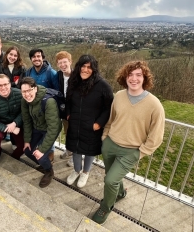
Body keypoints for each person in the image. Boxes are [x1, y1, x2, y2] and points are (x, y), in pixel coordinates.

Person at [92, 60, 165, 225]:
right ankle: (120, 193)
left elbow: (157, 136)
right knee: (111, 176)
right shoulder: (119, 96)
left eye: (138, 75)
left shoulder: (155, 105)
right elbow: (111, 119)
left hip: (131, 151)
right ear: (124, 77)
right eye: (130, 75)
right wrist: (105, 137)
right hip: (110, 144)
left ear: (144, 78)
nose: (134, 78)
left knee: (110, 180)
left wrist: (141, 152)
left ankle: (105, 207)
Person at [65, 55, 113, 188]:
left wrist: (99, 123)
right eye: (83, 66)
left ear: (94, 69)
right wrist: (68, 114)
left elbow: (109, 107)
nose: (85, 70)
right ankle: (76, 170)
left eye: (89, 67)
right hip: (75, 123)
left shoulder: (102, 85)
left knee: (89, 150)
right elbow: (67, 99)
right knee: (75, 148)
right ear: (78, 67)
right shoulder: (73, 81)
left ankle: (85, 172)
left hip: (92, 125)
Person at [20, 77, 62, 188]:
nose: (27, 94)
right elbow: (27, 121)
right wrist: (27, 141)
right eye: (24, 91)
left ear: (35, 89)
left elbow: (53, 128)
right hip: (37, 127)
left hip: (50, 129)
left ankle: (49, 171)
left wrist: (42, 150)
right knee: (28, 151)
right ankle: (45, 164)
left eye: (29, 90)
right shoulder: (24, 100)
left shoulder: (49, 102)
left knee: (41, 155)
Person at [0, 74, 25, 175]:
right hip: (1, 124)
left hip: (16, 123)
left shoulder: (19, 94)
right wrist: (8, 128)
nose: (3, 87)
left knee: (23, 145)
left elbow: (24, 112)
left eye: (5, 84)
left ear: (10, 84)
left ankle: (14, 157)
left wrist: (15, 123)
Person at [55, 51, 74, 166]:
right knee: (67, 131)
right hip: (64, 109)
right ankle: (69, 150)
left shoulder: (77, 76)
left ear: (70, 62)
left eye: (65, 62)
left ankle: (75, 156)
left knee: (75, 133)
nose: (62, 65)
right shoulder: (58, 76)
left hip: (76, 110)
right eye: (60, 63)